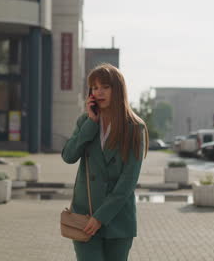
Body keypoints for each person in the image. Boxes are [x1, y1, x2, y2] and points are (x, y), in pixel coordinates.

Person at [61, 64, 149, 261]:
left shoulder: (135, 128)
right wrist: (91, 123)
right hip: (84, 217)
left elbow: (128, 181)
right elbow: (68, 156)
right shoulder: (85, 121)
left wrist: (101, 217)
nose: (98, 92)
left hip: (117, 219)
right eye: (94, 87)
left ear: (117, 90)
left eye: (105, 87)